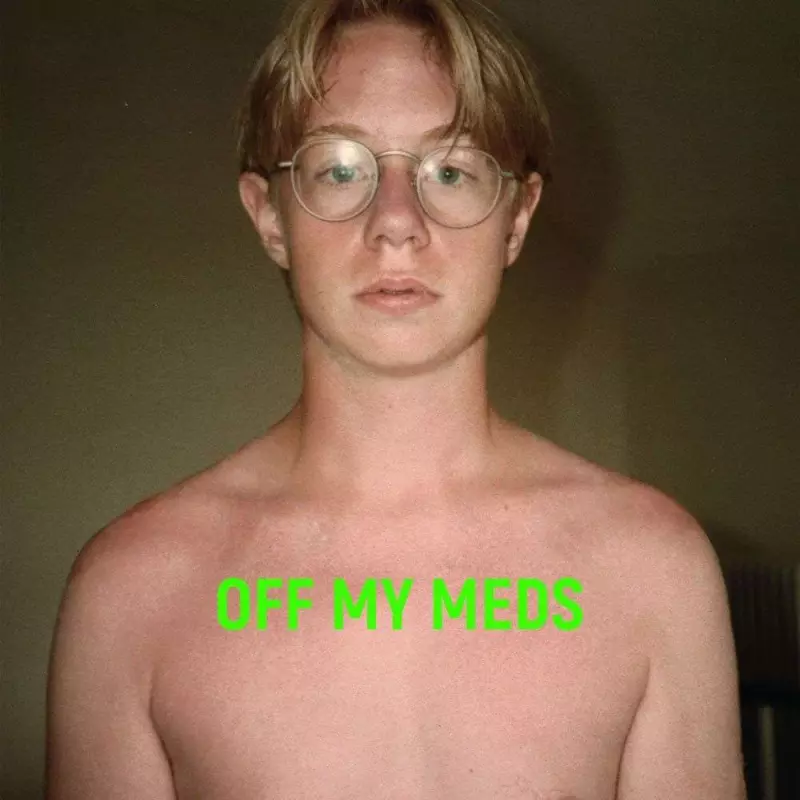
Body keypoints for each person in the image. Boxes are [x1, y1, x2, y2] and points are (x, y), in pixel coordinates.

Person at [45, 0, 746, 797]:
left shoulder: (652, 569)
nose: (397, 224)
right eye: (341, 168)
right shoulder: (134, 589)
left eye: (451, 169)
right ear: (270, 215)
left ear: (517, 218)